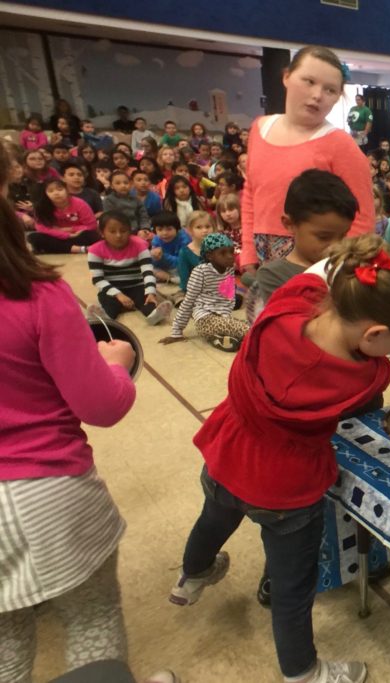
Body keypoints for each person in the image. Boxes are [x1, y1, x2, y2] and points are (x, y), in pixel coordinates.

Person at [167, 234, 390, 683]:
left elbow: (315, 283)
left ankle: (191, 578)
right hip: (285, 489)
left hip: (227, 450)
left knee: (212, 520)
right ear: (373, 335)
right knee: (293, 589)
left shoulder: (283, 308)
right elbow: (381, 370)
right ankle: (303, 671)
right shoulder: (363, 376)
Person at [0, 140, 183, 683]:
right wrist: (113, 361)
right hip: (47, 489)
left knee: (7, 634)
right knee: (91, 617)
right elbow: (101, 407)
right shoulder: (35, 295)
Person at [243, 47, 374, 272]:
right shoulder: (259, 127)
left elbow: (362, 217)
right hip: (263, 248)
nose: (317, 95)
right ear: (287, 77)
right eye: (309, 81)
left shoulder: (340, 144)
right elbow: (251, 192)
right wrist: (247, 251)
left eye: (330, 90)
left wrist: (343, 266)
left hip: (318, 256)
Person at [249, 169, 357, 320]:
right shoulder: (273, 275)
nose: (336, 246)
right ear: (290, 224)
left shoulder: (349, 266)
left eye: (343, 236)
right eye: (323, 237)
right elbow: (295, 332)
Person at [161, 233, 249, 352]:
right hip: (204, 319)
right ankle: (231, 336)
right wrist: (176, 332)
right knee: (245, 329)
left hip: (221, 317)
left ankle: (218, 339)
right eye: (223, 253)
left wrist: (225, 317)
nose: (229, 256)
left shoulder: (229, 269)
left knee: (244, 324)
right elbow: (188, 302)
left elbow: (228, 297)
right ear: (210, 256)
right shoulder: (200, 272)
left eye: (231, 251)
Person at [86, 211, 171, 324]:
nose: (118, 235)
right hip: (112, 289)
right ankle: (105, 317)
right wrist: (119, 295)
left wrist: (151, 292)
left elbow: (148, 272)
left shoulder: (140, 245)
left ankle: (153, 315)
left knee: (146, 299)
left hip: (137, 285)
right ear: (102, 233)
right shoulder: (95, 250)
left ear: (130, 231)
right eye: (112, 231)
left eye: (123, 231)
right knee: (108, 302)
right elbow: (98, 279)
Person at [27, 178, 99, 254]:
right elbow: (41, 228)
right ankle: (78, 249)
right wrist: (66, 235)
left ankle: (60, 248)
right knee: (34, 237)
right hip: (57, 237)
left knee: (91, 234)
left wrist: (70, 229)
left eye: (60, 189)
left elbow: (91, 225)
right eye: (50, 191)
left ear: (67, 190)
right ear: (45, 194)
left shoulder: (79, 203)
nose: (56, 193)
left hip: (78, 235)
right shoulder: (41, 207)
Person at [103, 170, 150, 234]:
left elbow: (143, 216)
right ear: (111, 186)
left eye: (126, 183)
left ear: (130, 184)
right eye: (118, 183)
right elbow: (109, 219)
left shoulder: (136, 199)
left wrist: (145, 228)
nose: (123, 186)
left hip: (137, 230)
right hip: (118, 232)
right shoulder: (108, 200)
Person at [178, 210, 216, 292]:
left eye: (208, 227)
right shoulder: (184, 252)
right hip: (196, 291)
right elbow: (184, 280)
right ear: (190, 230)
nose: (205, 230)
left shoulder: (218, 248)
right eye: (199, 227)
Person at [149, 210, 191, 281]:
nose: (164, 233)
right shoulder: (156, 240)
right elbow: (155, 263)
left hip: (179, 267)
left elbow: (183, 261)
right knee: (148, 269)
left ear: (177, 228)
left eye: (169, 229)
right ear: (155, 230)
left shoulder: (184, 239)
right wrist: (155, 257)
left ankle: (170, 278)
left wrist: (163, 256)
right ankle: (169, 278)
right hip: (164, 267)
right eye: (160, 229)